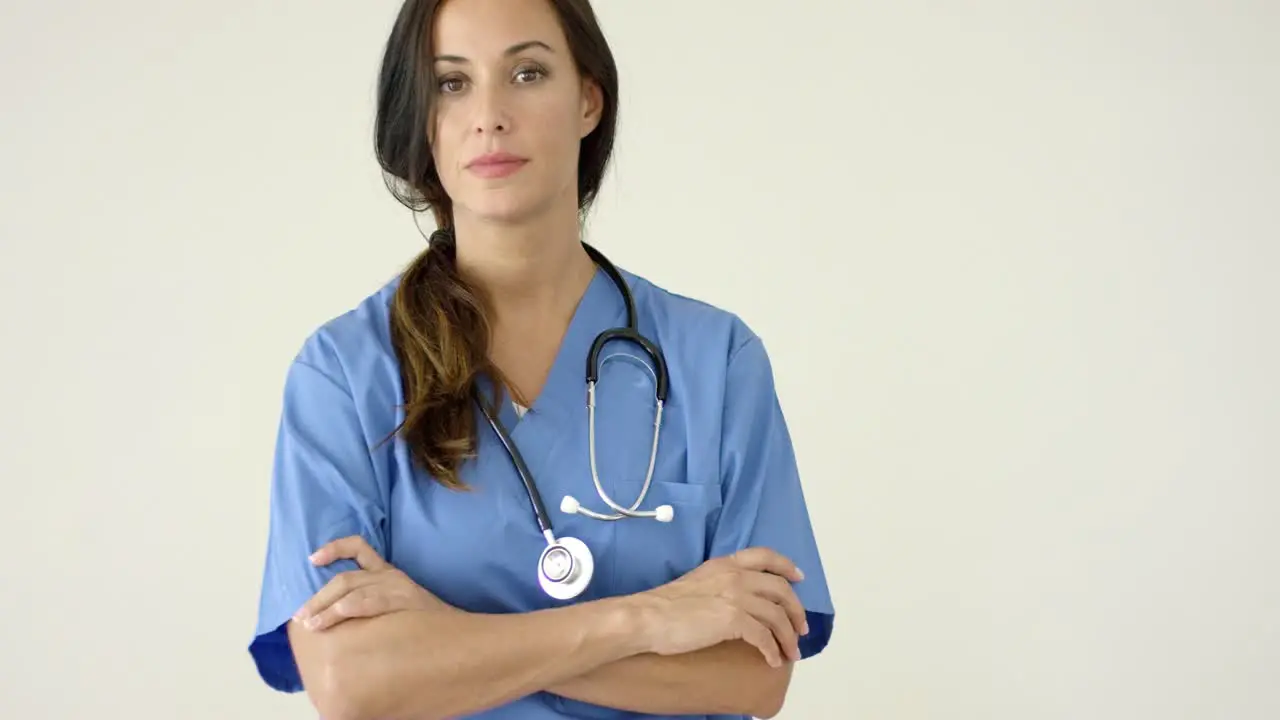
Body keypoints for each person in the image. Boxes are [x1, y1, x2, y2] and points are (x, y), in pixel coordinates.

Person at [247, 0, 835, 717]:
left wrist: (445, 641)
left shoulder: (716, 361)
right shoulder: (345, 373)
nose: (489, 114)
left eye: (527, 73)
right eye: (451, 83)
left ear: (588, 99)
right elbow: (352, 682)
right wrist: (646, 619)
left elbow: (751, 675)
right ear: (421, 117)